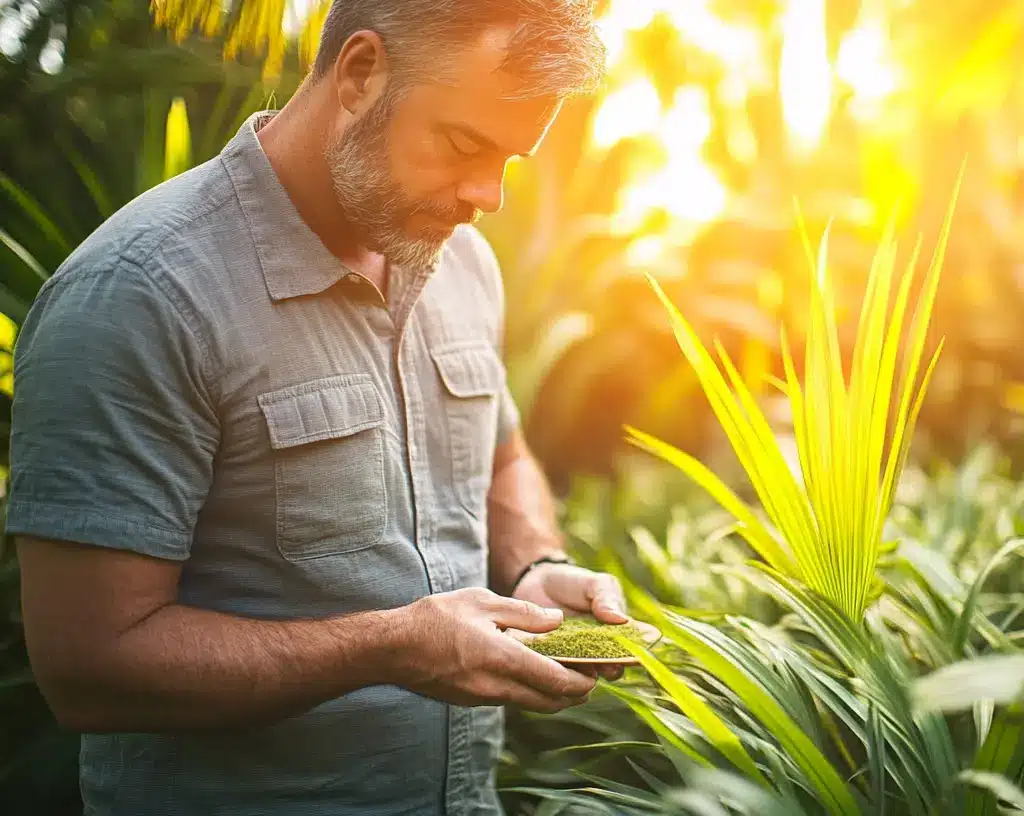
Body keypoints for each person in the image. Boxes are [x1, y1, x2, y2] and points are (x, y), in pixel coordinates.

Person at [8, 2, 625, 814]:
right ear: (361, 72)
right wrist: (392, 648)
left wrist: (536, 567)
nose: (489, 195)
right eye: (465, 145)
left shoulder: (462, 259)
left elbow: (499, 456)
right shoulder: (139, 296)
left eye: (510, 158)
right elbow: (89, 666)